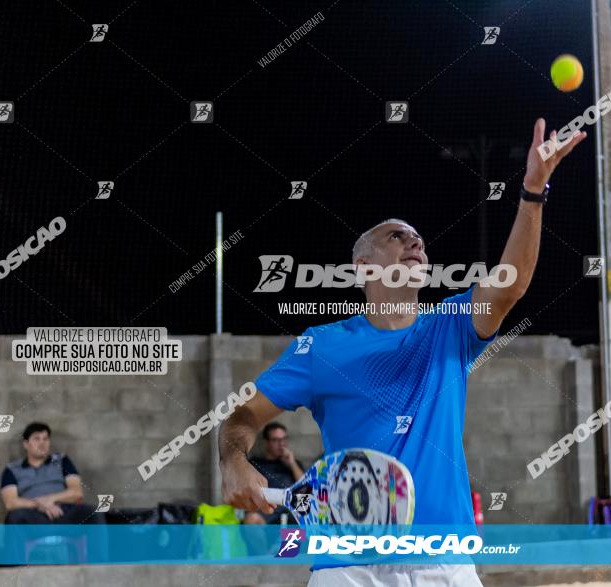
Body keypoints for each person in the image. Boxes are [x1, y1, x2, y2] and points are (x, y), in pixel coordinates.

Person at [218, 119, 586, 585]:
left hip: (444, 561)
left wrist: (533, 191)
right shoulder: (320, 346)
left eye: (418, 240)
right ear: (363, 265)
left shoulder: (450, 326)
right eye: (398, 237)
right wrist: (233, 461)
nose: (416, 242)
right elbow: (244, 415)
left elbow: (510, 284)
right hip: (348, 566)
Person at [0, 422, 103, 524]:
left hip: (64, 511)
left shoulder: (62, 460)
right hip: (33, 514)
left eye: (45, 439)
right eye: (37, 439)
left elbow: (76, 492)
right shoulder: (12, 469)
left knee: (94, 513)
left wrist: (49, 500)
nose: (42, 443)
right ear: (26, 444)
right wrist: (40, 504)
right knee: (14, 518)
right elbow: (11, 503)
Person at [244, 422, 303, 525]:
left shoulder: (294, 463)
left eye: (284, 439)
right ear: (267, 442)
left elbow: (305, 486)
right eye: (276, 440)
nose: (282, 444)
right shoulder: (255, 464)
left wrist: (292, 463)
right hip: (268, 509)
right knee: (252, 519)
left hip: (292, 509)